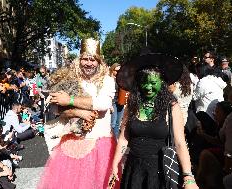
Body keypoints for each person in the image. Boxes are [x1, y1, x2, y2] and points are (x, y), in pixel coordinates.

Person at [109, 54, 199, 189]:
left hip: (160, 171)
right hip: (134, 170)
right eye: (144, 82)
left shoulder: (172, 107)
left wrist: (188, 177)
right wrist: (115, 164)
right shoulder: (132, 105)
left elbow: (180, 143)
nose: (148, 87)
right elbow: (123, 138)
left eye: (153, 83)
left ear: (162, 82)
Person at [37, 38, 116, 189]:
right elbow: (54, 108)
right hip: (73, 141)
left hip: (100, 142)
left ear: (99, 62)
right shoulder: (70, 79)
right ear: (79, 60)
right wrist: (78, 112)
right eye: (85, 59)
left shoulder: (107, 80)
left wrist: (70, 99)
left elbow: (103, 103)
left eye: (93, 60)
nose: (88, 63)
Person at [109, 63, 127, 139]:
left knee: (117, 123)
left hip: (120, 102)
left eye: (120, 70)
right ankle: (110, 140)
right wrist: (109, 105)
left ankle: (115, 140)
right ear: (112, 70)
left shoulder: (121, 79)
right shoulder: (109, 80)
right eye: (116, 70)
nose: (118, 72)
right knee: (112, 123)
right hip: (112, 102)